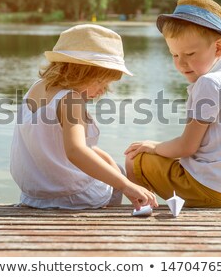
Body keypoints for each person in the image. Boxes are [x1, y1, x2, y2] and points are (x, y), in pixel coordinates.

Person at [125, 0, 221, 208]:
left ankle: (143, 209)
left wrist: (154, 146)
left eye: (189, 53)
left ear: (218, 48)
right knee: (165, 157)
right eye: (174, 54)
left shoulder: (209, 83)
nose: (181, 63)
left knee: (135, 157)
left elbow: (187, 146)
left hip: (209, 188)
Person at [10, 24, 158, 210]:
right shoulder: (71, 100)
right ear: (80, 72)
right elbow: (76, 151)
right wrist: (126, 185)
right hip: (69, 195)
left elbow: (58, 144)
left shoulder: (37, 88)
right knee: (119, 180)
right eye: (101, 82)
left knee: (115, 169)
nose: (103, 91)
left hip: (35, 194)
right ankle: (110, 217)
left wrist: (109, 162)